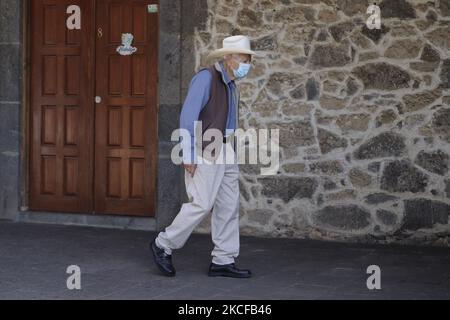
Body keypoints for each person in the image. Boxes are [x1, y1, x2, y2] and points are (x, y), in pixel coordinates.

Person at [150, 35, 258, 278]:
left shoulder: (231, 84)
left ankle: (223, 260)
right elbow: (187, 119)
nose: (248, 63)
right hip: (204, 147)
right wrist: (188, 155)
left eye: (249, 58)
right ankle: (163, 244)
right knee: (201, 203)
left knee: (228, 205)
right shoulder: (206, 78)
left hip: (224, 148)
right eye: (244, 57)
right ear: (228, 57)